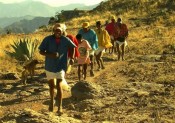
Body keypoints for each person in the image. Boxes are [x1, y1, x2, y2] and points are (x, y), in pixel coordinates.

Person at [38, 23, 76, 115]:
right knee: (51, 86)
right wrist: (50, 55)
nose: (58, 32)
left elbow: (73, 47)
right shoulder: (47, 39)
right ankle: (51, 102)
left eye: (59, 31)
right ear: (53, 31)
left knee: (59, 85)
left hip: (61, 65)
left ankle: (60, 107)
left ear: (62, 31)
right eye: (56, 30)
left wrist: (72, 58)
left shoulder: (65, 40)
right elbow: (41, 51)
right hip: (50, 66)